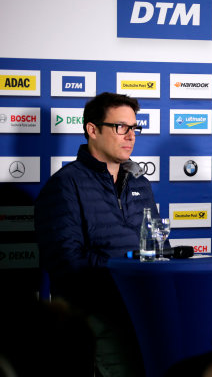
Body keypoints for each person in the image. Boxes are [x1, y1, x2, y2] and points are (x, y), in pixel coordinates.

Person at [34, 92, 161, 377]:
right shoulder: (64, 186)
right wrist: (126, 269)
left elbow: (156, 243)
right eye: (121, 127)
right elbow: (66, 263)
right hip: (96, 317)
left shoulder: (141, 183)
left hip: (145, 310)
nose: (130, 136)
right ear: (92, 129)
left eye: (134, 128)